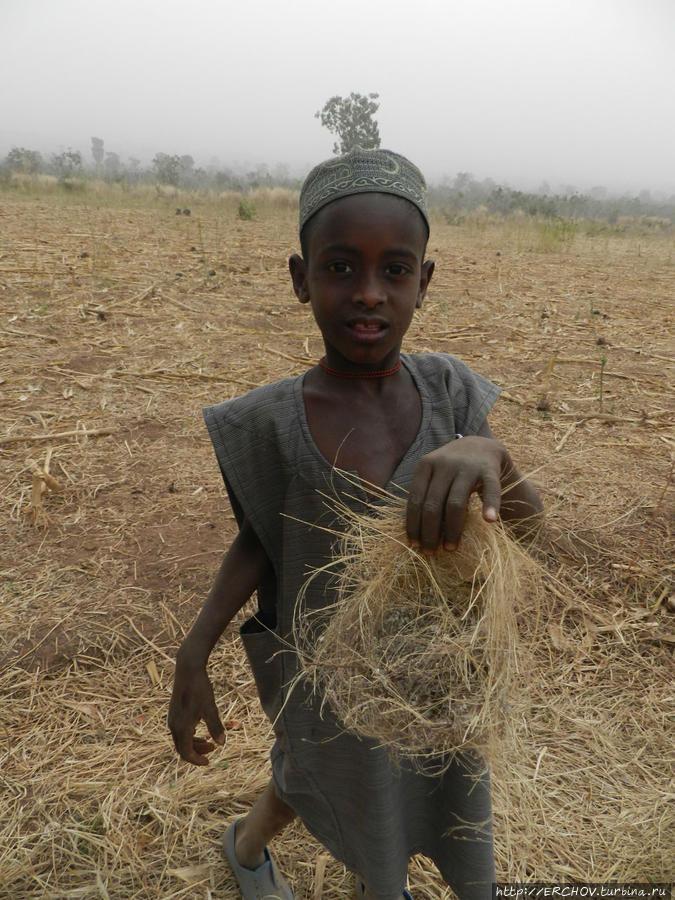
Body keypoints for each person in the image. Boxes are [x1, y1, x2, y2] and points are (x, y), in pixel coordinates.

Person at [168, 148, 543, 900]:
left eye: (394, 270)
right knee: (320, 772)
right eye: (340, 268)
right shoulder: (268, 423)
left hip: (439, 673)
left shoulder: (452, 397)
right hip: (325, 668)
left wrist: (494, 456)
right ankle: (250, 851)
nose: (368, 294)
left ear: (423, 282)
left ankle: (246, 848)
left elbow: (529, 535)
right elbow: (261, 539)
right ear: (300, 278)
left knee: (425, 796)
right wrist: (195, 647)